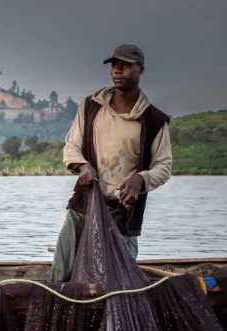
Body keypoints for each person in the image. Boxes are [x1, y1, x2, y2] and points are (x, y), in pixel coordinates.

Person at [50, 44, 172, 282]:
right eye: (115, 65)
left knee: (120, 282)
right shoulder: (91, 107)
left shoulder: (154, 120)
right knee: (61, 274)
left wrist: (140, 180)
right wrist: (82, 166)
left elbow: (163, 167)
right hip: (84, 205)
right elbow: (71, 146)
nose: (118, 70)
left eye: (126, 66)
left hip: (124, 212)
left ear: (141, 70)